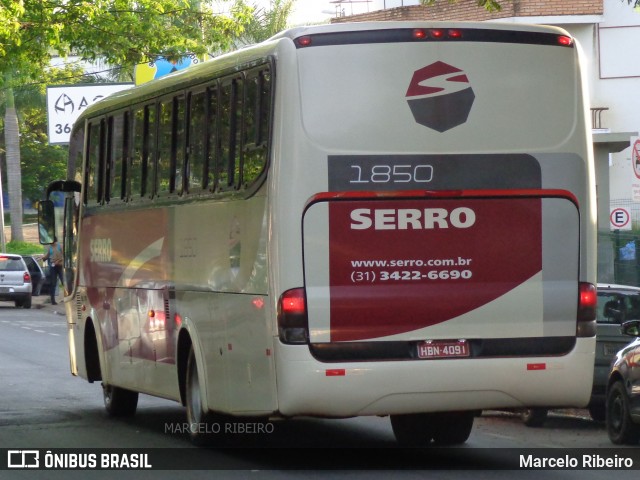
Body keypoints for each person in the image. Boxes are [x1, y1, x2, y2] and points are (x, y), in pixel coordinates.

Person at [43, 240, 64, 305]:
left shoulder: (60, 246)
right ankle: (53, 300)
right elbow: (47, 255)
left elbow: (65, 255)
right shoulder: (50, 247)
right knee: (53, 283)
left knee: (63, 281)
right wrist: (43, 258)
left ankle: (67, 297)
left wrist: (59, 261)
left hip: (60, 265)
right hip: (53, 266)